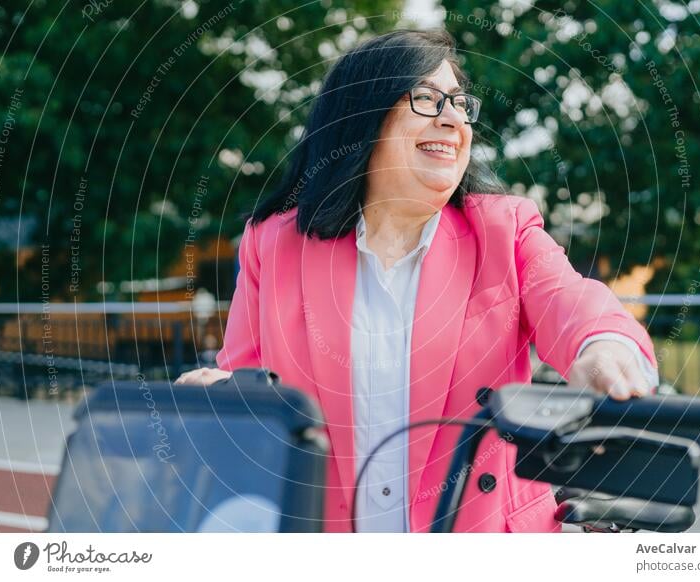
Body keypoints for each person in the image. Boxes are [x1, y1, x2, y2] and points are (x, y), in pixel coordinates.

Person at [175, 29, 659, 533]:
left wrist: (604, 346)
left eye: (459, 103)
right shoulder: (273, 245)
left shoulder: (505, 229)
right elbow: (247, 393)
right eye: (427, 99)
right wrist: (219, 401)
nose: (452, 118)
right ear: (361, 117)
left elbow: (570, 299)